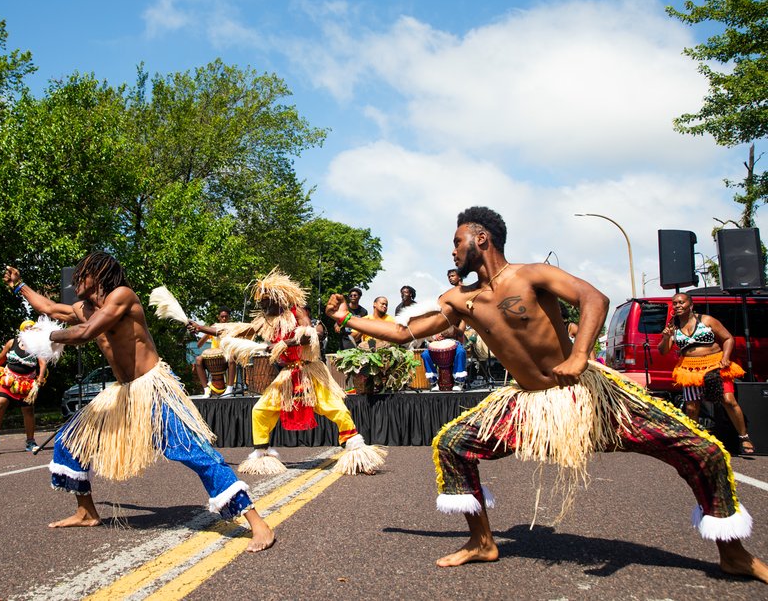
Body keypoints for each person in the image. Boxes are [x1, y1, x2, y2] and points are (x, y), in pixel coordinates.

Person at [325, 206, 767, 582]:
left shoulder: (533, 274)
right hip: (529, 406)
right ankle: (481, 542)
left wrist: (579, 356)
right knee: (453, 445)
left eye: (458, 241)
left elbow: (593, 298)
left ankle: (733, 554)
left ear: (481, 239)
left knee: (703, 451)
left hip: (589, 397)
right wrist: (346, 319)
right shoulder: (458, 299)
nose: (453, 249)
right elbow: (404, 332)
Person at [2, 256, 275, 552]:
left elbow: (86, 333)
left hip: (153, 389)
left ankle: (257, 523)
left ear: (97, 275)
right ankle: (86, 512)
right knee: (69, 442)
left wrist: (46, 338)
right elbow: (49, 308)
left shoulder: (123, 296)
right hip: (123, 394)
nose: (74, 283)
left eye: (80, 276)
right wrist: (20, 287)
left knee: (194, 452)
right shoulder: (83, 309)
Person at [221, 269, 386, 477]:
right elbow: (237, 332)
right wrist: (200, 326)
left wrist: (285, 343)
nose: (261, 305)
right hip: (287, 376)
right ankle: (262, 455)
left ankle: (358, 456)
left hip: (309, 372)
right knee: (260, 410)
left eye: (265, 301)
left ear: (276, 298)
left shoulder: (296, 311)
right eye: (260, 302)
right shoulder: (266, 320)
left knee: (336, 409)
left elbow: (309, 334)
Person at [658, 293, 754, 454]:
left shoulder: (706, 320)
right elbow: (663, 351)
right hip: (690, 369)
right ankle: (694, 441)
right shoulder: (672, 327)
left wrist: (725, 357)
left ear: (691, 305)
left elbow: (728, 338)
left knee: (728, 400)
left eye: (681, 302)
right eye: (674, 303)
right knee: (691, 407)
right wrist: (666, 337)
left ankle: (744, 437)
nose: (677, 306)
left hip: (715, 364)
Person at [0, 322, 47, 453]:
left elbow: (42, 363)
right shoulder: (12, 342)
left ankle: (30, 441)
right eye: (27, 328)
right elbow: (0, 359)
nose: (29, 330)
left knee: (28, 410)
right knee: (0, 402)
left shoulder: (38, 346)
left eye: (32, 328)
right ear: (21, 330)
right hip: (8, 379)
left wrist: (40, 378)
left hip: (26, 383)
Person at [187, 307, 237, 397]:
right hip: (212, 356)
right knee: (198, 359)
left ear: (229, 317)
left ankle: (230, 389)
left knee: (232, 358)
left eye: (226, 316)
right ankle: (206, 389)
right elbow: (199, 344)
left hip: (226, 357)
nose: (224, 319)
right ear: (219, 317)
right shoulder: (213, 327)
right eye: (222, 317)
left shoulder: (233, 328)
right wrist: (208, 331)